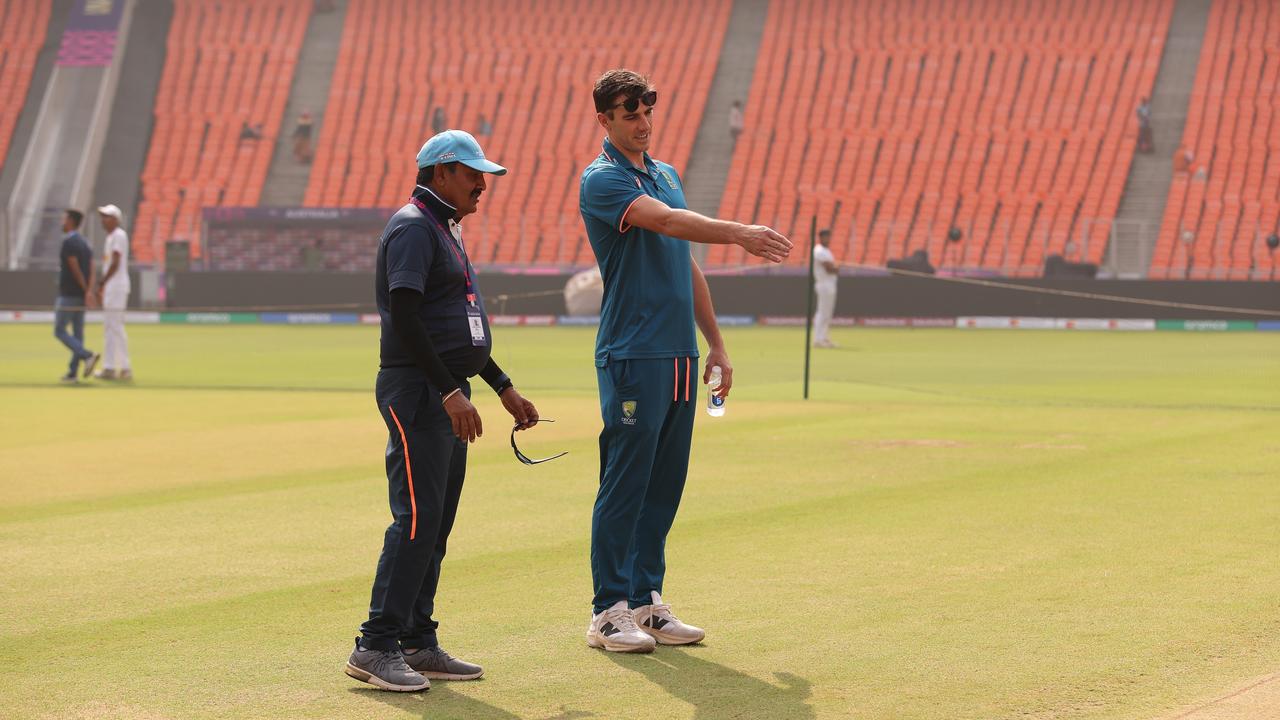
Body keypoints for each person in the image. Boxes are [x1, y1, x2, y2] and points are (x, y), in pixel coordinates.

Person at [578, 69, 792, 653]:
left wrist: (716, 343)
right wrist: (739, 233)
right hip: (632, 352)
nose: (643, 122)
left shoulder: (667, 174)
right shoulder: (602, 180)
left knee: (665, 484)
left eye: (647, 110)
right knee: (624, 482)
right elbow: (669, 223)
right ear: (604, 120)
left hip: (677, 353)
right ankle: (607, 611)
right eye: (629, 114)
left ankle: (646, 603)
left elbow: (685, 260)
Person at [345, 129, 541, 692]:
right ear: (440, 174)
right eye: (472, 173)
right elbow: (405, 318)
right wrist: (448, 392)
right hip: (418, 392)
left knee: (437, 520)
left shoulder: (441, 227)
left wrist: (500, 386)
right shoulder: (412, 227)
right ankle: (376, 645)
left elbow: (455, 327)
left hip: (444, 390)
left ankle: (416, 640)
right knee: (417, 517)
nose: (483, 184)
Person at [53, 209, 100, 383]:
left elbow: (74, 268)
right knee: (78, 333)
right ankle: (73, 373)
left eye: (64, 218)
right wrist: (89, 290)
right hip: (81, 295)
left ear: (71, 221)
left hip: (69, 293)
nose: (62, 222)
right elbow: (92, 267)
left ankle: (86, 355)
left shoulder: (69, 242)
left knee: (59, 330)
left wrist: (84, 288)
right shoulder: (85, 243)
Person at [95, 205, 132, 381]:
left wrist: (102, 282)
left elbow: (115, 262)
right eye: (102, 216)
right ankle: (109, 367)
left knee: (115, 327)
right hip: (112, 287)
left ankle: (125, 368)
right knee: (109, 328)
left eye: (107, 216)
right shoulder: (111, 237)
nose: (103, 220)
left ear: (116, 219)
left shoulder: (118, 235)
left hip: (116, 286)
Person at [813, 229, 839, 348]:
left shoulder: (827, 251)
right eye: (826, 237)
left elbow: (832, 267)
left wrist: (835, 267)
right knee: (822, 312)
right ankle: (818, 339)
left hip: (830, 284)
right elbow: (830, 268)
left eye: (829, 236)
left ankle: (824, 337)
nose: (828, 239)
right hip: (824, 284)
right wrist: (836, 267)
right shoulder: (819, 250)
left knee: (827, 313)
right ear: (821, 237)